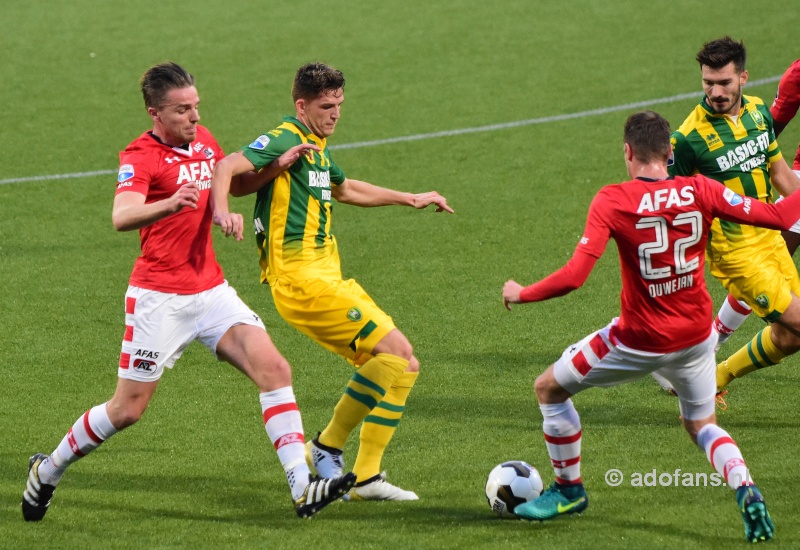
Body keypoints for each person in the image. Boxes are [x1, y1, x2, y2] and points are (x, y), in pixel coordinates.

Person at [21, 62, 356, 523]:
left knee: (274, 368)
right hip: (159, 298)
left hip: (210, 290)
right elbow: (122, 216)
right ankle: (48, 468)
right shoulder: (139, 156)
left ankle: (302, 487)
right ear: (155, 113)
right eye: (182, 110)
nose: (194, 117)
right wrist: (170, 203)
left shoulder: (203, 142)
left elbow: (235, 184)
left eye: (196, 107)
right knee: (126, 410)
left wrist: (273, 169)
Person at [501, 110, 795, 542]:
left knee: (549, 389)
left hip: (637, 340)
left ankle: (569, 490)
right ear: (670, 151)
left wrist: (520, 292)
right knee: (702, 426)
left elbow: (574, 277)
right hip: (698, 339)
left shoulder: (613, 200)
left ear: (627, 152)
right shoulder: (703, 190)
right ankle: (746, 487)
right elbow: (777, 215)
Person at [210, 62, 452, 501]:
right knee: (395, 353)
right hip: (301, 280)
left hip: (329, 277)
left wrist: (410, 198)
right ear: (302, 106)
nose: (335, 113)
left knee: (405, 365)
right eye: (326, 106)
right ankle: (324, 447)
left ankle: (365, 475)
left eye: (339, 104)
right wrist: (222, 211)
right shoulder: (287, 136)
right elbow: (225, 166)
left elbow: (345, 189)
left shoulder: (316, 148)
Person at [651, 37, 800, 399]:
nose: (716, 91)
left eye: (724, 82)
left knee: (789, 337)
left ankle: (712, 380)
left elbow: (780, 174)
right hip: (736, 255)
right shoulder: (686, 140)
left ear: (743, 78)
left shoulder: (759, 113)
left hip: (771, 241)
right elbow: (669, 203)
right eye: (708, 83)